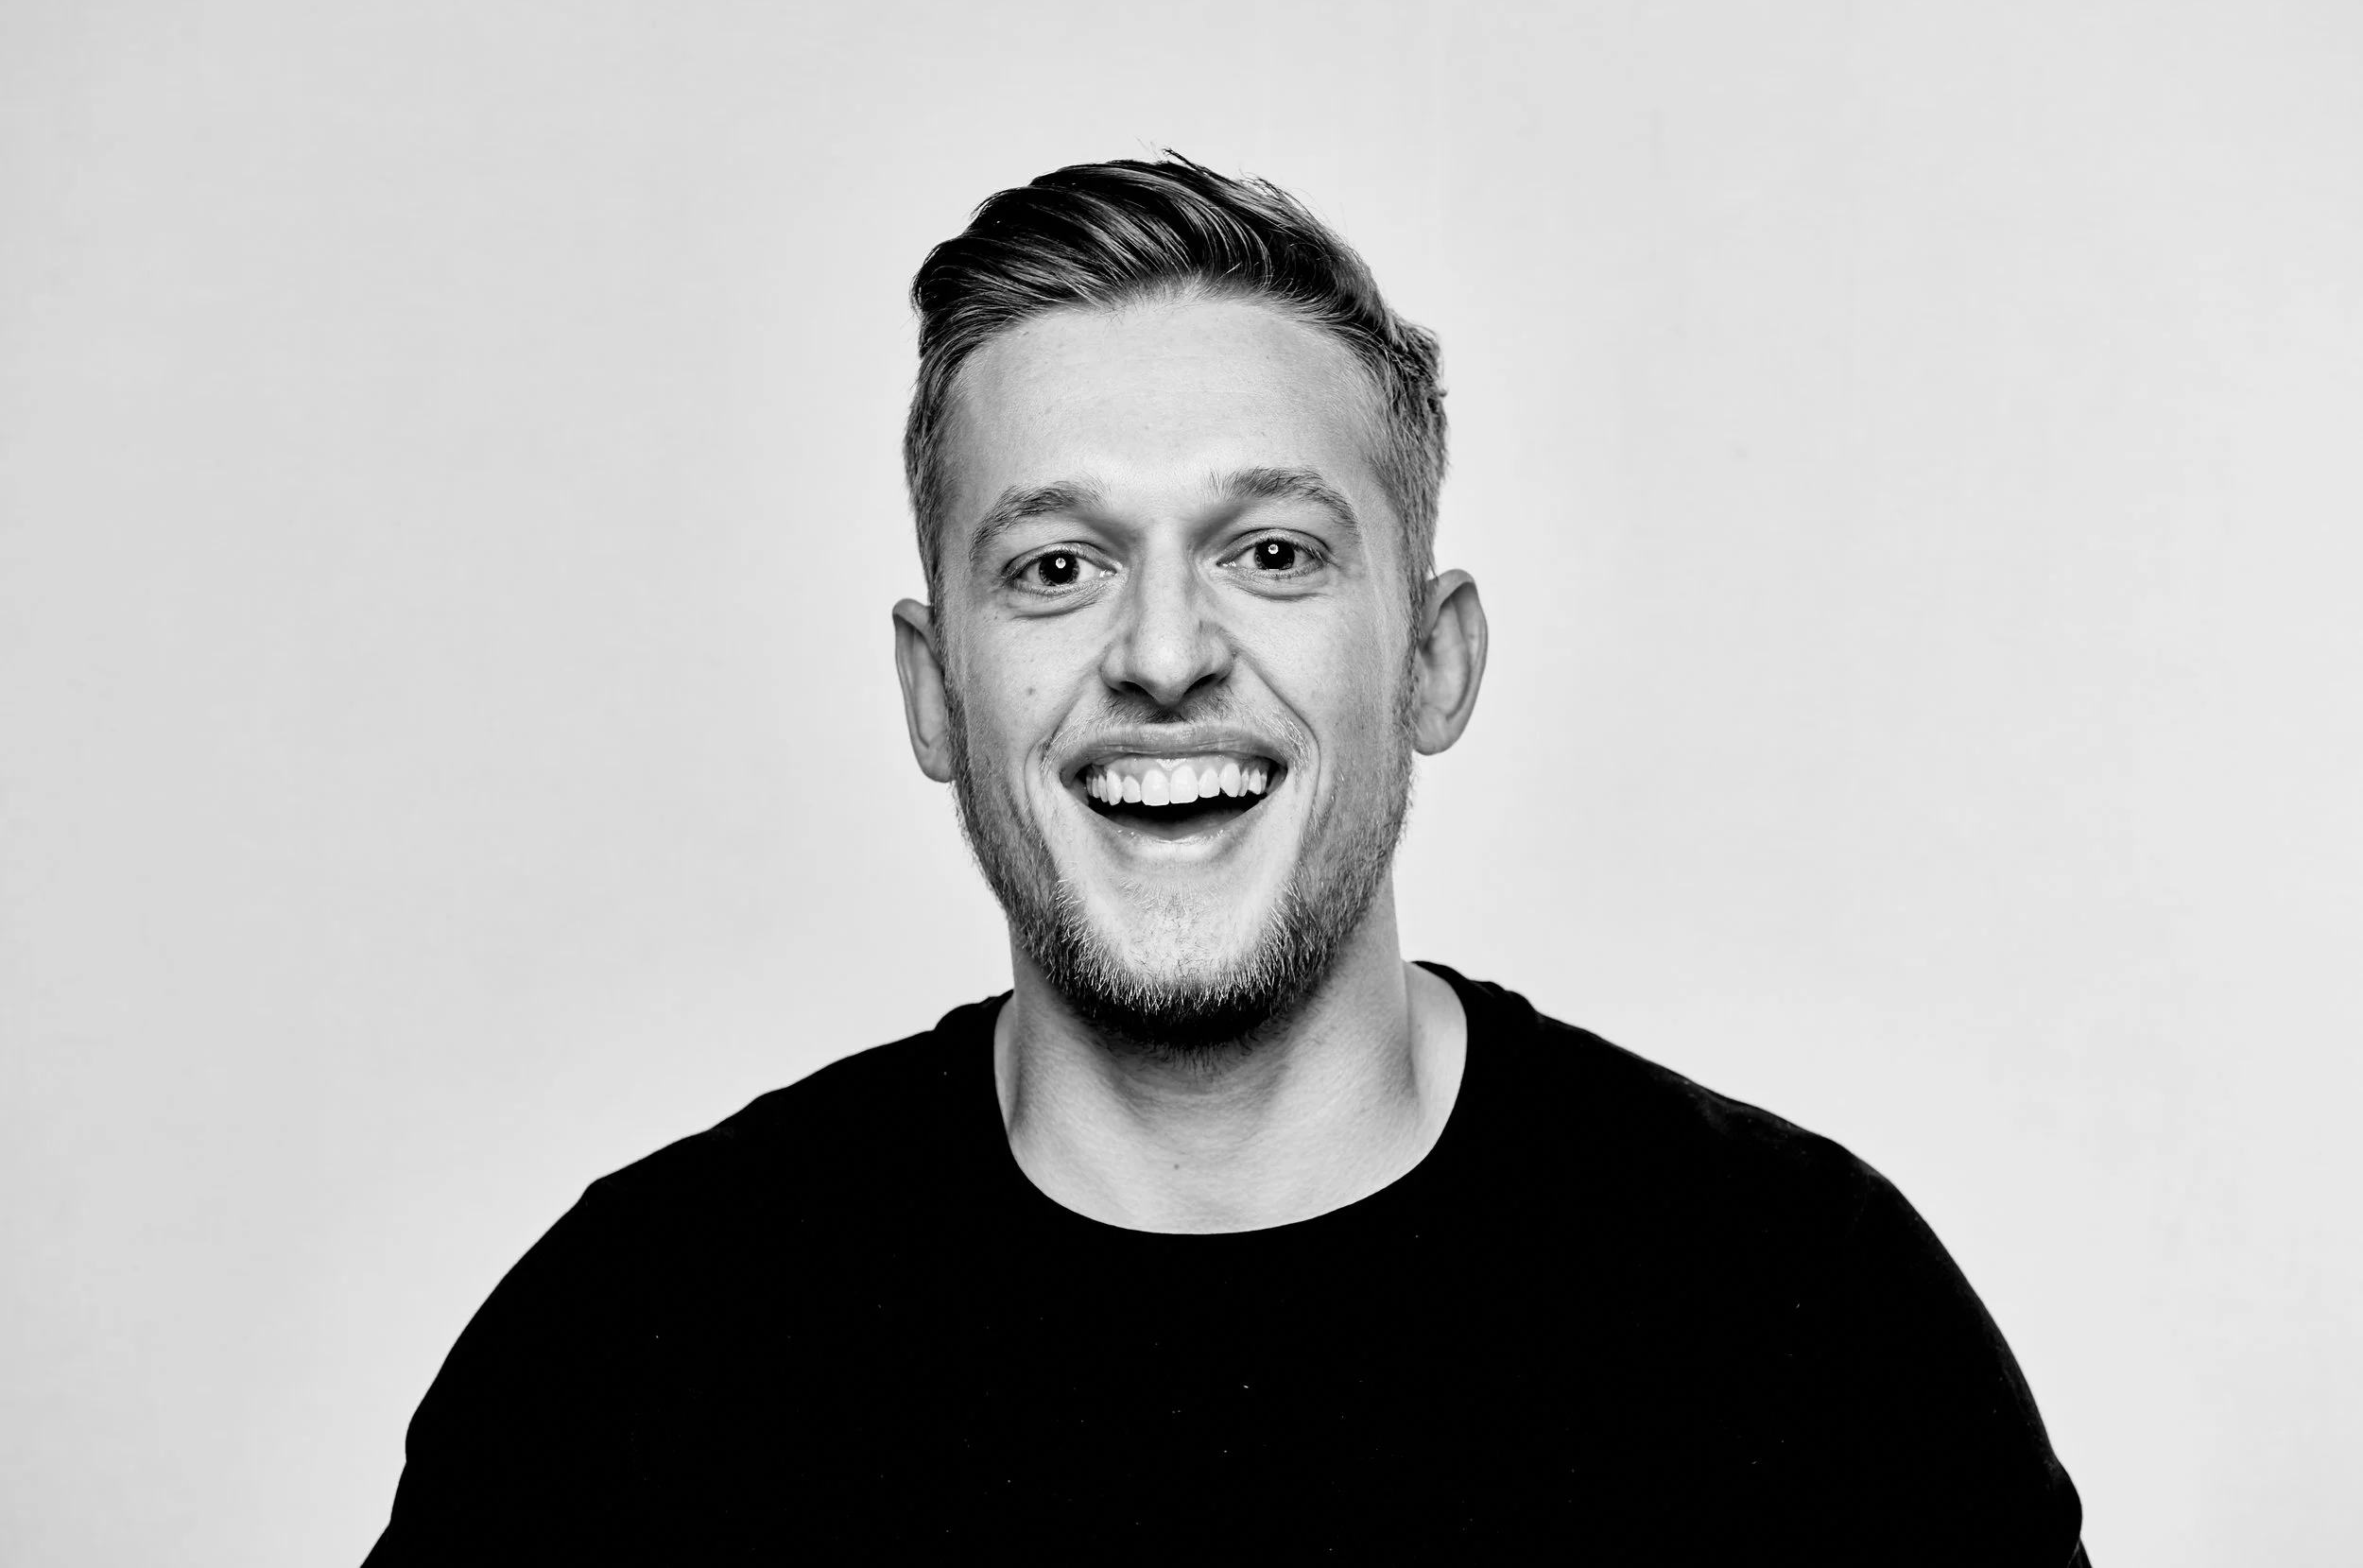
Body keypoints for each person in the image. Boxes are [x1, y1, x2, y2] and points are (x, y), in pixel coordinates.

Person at [366, 155, 2088, 1562]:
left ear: (1433, 662)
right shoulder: (642, 1352)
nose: (1165, 653)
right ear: (933, 691)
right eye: (1056, 567)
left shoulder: (1805, 1321)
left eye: (1271, 552)